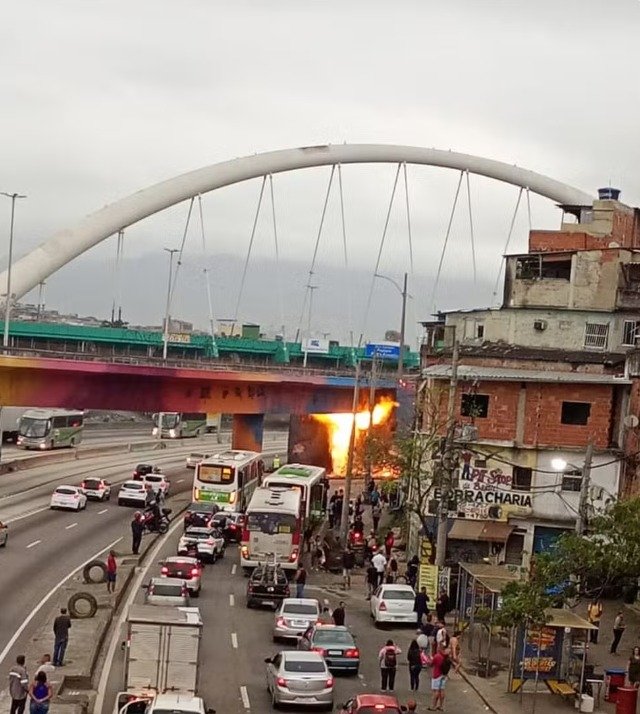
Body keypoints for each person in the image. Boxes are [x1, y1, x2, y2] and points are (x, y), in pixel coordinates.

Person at [430, 644, 451, 711]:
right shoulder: (446, 657)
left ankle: (434, 706)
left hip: (437, 675)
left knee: (436, 691)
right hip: (444, 675)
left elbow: (431, 664)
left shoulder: (437, 656)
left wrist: (430, 659)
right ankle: (441, 706)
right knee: (442, 690)